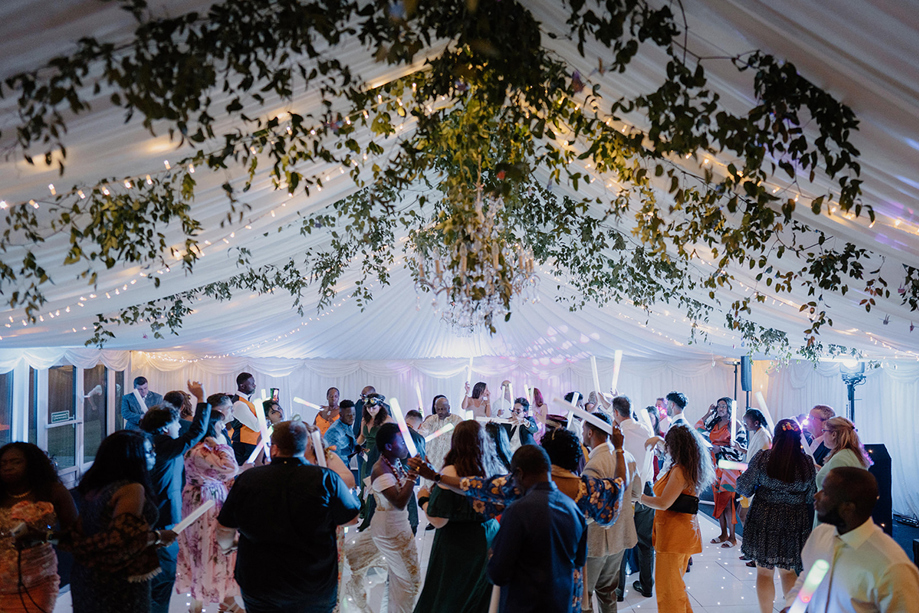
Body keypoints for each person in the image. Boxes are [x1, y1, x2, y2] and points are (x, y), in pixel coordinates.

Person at [216, 421, 361, 613]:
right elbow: (350, 519)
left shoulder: (248, 479)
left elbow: (225, 528)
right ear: (307, 445)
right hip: (312, 583)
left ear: (274, 447)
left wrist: (228, 547)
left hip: (260, 583)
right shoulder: (326, 478)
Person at [67, 430, 178, 613]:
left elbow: (83, 529)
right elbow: (122, 539)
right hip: (117, 577)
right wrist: (157, 537)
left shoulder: (94, 486)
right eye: (149, 451)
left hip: (85, 572)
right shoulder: (131, 489)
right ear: (132, 457)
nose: (154, 455)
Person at [782, 467, 919, 613]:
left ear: (848, 508)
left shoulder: (891, 565)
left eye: (826, 492)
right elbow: (808, 580)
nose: (816, 495)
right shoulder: (820, 535)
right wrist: (793, 607)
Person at [414, 421, 503, 613]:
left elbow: (438, 520)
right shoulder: (495, 467)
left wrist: (423, 500)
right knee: (480, 599)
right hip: (489, 539)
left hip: (458, 545)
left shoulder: (451, 472)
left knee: (451, 598)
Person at [139, 380, 212, 613]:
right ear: (164, 427)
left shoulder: (148, 441)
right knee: (162, 579)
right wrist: (201, 399)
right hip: (161, 521)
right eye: (175, 424)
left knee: (156, 582)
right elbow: (196, 431)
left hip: (155, 518)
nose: (179, 427)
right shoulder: (163, 444)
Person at [487, 445, 588, 613]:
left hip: (525, 606)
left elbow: (498, 573)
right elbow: (579, 560)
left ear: (519, 473)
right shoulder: (574, 509)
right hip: (561, 605)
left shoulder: (517, 511)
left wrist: (493, 554)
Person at [736, 419, 816, 613]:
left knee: (764, 572)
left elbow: (744, 487)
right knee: (788, 572)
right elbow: (810, 494)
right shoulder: (807, 462)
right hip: (795, 520)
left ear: (776, 436)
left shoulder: (764, 458)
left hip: (764, 518)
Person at [638, 424, 716, 613]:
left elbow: (664, 503)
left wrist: (637, 496)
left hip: (674, 536)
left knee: (668, 593)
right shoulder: (691, 465)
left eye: (670, 445)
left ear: (677, 446)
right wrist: (658, 440)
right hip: (681, 533)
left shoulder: (680, 471)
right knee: (676, 588)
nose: (668, 449)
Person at [175, 402, 240, 613]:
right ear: (213, 427)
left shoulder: (204, 448)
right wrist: (222, 446)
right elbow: (230, 469)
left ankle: (219, 599)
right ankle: (200, 601)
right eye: (221, 426)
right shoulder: (200, 451)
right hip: (204, 503)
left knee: (211, 549)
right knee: (205, 548)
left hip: (208, 498)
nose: (224, 429)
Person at [0, 442, 78, 612]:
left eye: (16, 462)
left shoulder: (53, 492)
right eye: (3, 463)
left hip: (37, 581)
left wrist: (42, 537)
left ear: (31, 464)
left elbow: (75, 538)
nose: (8, 467)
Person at [581, 412, 637, 613]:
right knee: (608, 591)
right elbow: (637, 493)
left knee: (585, 596)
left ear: (589, 433)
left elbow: (588, 510)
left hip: (597, 540)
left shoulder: (593, 465)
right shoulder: (628, 457)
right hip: (620, 536)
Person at [369, 423, 420, 613]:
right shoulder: (381, 469)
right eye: (402, 442)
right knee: (407, 578)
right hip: (388, 529)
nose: (406, 446)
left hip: (398, 524)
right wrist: (413, 475)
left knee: (401, 579)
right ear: (389, 447)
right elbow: (399, 502)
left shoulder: (393, 461)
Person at [610, 396, 655, 599]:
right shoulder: (645, 429)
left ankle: (618, 590)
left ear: (616, 413)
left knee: (620, 544)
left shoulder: (618, 435)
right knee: (646, 544)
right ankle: (647, 587)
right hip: (647, 491)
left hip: (626, 492)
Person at [695, 397, 743, 547]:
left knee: (728, 503)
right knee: (718, 501)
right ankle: (723, 534)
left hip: (729, 468)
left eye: (724, 406)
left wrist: (721, 449)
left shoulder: (735, 425)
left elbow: (740, 450)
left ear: (729, 408)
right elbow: (697, 429)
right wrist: (708, 414)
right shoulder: (714, 422)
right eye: (719, 406)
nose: (721, 408)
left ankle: (733, 537)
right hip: (715, 467)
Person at [737, 408, 772, 539]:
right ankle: (750, 544)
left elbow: (762, 460)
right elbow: (755, 455)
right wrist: (742, 450)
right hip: (750, 480)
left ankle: (752, 545)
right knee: (742, 513)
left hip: (755, 483)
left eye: (746, 421)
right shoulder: (758, 433)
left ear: (756, 422)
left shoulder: (763, 435)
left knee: (746, 515)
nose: (744, 424)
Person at [815, 417, 872, 495]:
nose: (823, 435)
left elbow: (837, 493)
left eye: (824, 431)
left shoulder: (840, 458)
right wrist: (823, 471)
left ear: (834, 434)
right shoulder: (851, 454)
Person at [417, 395, 464, 476]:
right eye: (438, 409)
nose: (440, 412)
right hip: (431, 462)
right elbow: (421, 437)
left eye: (443, 409)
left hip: (450, 463)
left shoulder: (457, 421)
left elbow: (463, 440)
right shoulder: (430, 420)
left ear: (449, 407)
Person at [229, 372, 259, 466]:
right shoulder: (239, 403)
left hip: (249, 443)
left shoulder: (245, 401)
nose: (255, 385)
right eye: (252, 383)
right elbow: (256, 426)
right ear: (242, 386)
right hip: (244, 445)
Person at [324, 400, 357, 465]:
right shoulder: (334, 431)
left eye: (354, 414)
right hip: (337, 466)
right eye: (348, 415)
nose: (352, 418)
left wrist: (357, 447)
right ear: (341, 415)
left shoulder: (347, 423)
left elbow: (351, 441)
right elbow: (334, 457)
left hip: (345, 462)